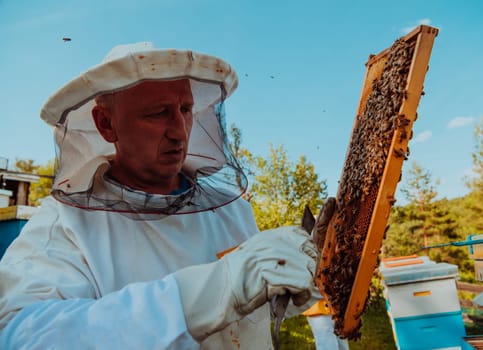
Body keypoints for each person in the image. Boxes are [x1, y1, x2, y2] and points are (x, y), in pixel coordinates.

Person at [0, 42, 319, 349]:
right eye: (158, 113)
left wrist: (297, 269)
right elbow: (25, 336)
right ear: (106, 124)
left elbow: (253, 312)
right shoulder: (63, 224)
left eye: (185, 109)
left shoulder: (231, 211)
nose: (179, 130)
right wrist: (212, 291)